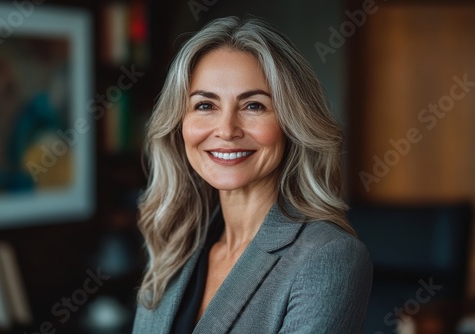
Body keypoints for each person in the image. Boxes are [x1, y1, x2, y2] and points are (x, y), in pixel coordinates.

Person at [132, 16, 373, 334]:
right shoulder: (176, 243)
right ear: (179, 124)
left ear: (291, 122)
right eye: (205, 105)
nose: (227, 130)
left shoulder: (329, 257)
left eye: (254, 106)